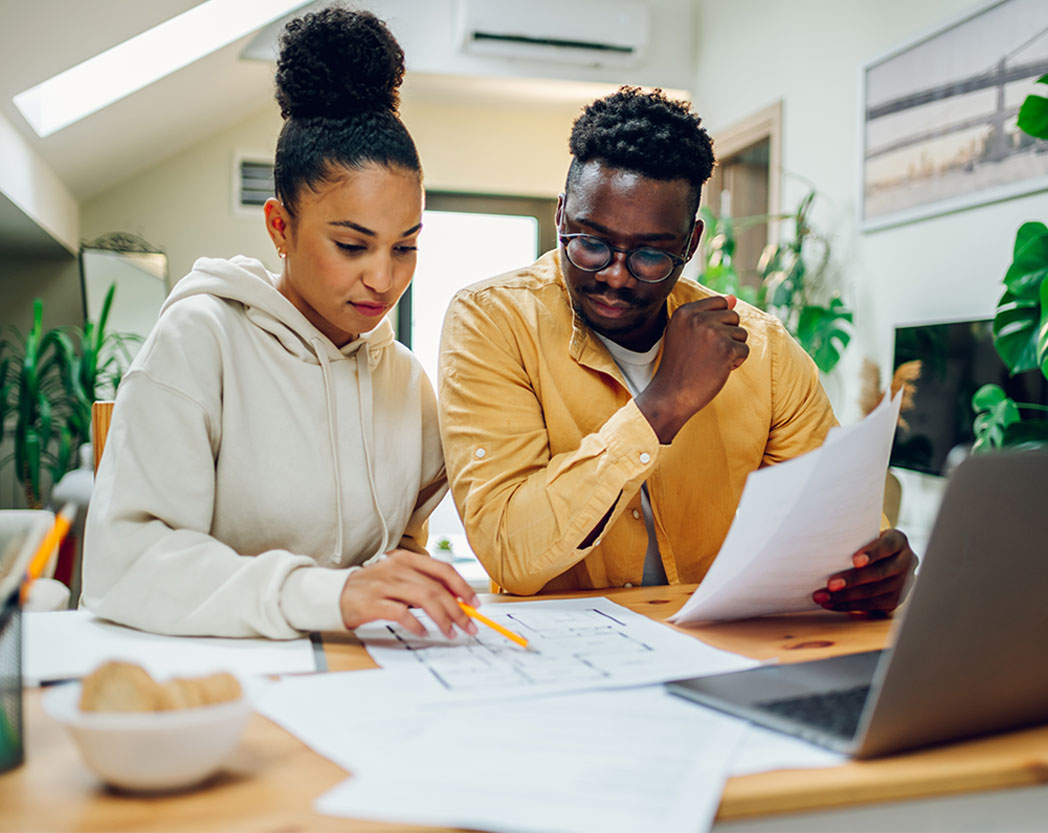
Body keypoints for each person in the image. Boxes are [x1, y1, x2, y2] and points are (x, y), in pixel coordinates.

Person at [83, 8, 479, 640]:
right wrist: (326, 594)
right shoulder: (200, 340)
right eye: (353, 246)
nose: (384, 279)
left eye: (405, 246)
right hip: (211, 683)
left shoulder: (403, 377)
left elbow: (405, 536)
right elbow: (124, 565)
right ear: (280, 228)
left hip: (355, 677)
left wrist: (408, 573)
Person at [438, 87, 916, 612]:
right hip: (562, 660)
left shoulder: (764, 351)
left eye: (649, 255)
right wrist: (662, 404)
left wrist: (876, 564)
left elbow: (837, 519)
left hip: (720, 648)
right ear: (560, 217)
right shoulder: (493, 320)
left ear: (690, 244)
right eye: (591, 244)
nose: (615, 276)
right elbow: (510, 553)